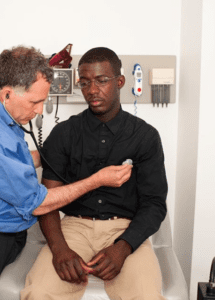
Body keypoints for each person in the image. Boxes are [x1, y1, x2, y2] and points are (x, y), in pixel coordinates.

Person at [0, 46, 132, 300]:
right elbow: (38, 203)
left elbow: (8, 163)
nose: (40, 110)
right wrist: (95, 180)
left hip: (4, 232)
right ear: (8, 93)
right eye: (36, 102)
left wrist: (53, 154)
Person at [21, 47, 168, 300]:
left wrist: (123, 247)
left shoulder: (145, 137)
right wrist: (59, 249)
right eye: (85, 82)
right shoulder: (64, 134)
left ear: (119, 82)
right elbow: (47, 200)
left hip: (125, 228)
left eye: (102, 80)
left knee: (147, 295)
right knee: (39, 293)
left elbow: (154, 204)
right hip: (73, 227)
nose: (92, 90)